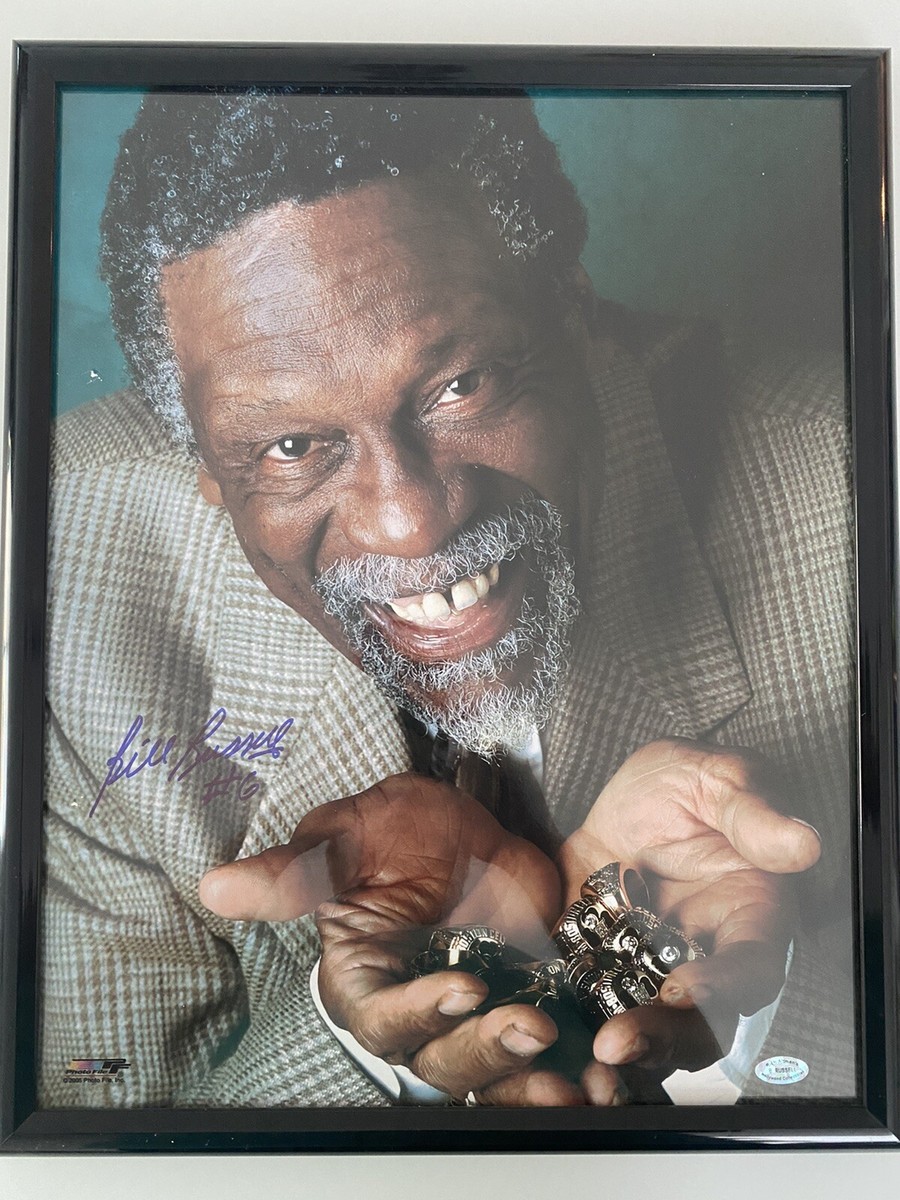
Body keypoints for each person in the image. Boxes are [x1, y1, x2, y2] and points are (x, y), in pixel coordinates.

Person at [40, 91, 855, 1108]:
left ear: (572, 308)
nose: (411, 524)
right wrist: (362, 1052)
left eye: (462, 385)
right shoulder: (66, 564)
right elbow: (96, 1108)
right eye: (294, 447)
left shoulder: (858, 500)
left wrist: (749, 1023)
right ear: (201, 463)